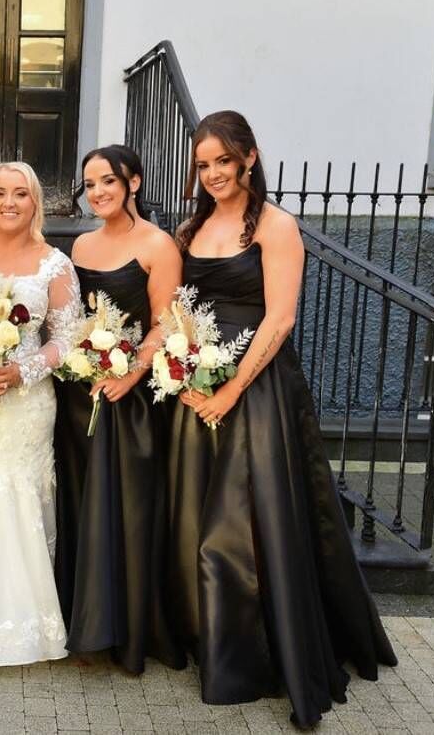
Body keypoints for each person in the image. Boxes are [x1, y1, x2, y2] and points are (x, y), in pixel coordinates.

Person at [169, 110, 396, 727]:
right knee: (199, 514)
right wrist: (185, 367)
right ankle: (206, 636)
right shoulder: (190, 228)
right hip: (199, 383)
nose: (214, 173)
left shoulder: (276, 225)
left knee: (246, 523)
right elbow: (181, 307)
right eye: (203, 164)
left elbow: (280, 318)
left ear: (250, 156)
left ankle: (257, 654)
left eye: (223, 160)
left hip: (258, 388)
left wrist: (232, 390)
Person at [54, 144, 186, 673]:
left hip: (127, 402)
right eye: (90, 184)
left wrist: (129, 373)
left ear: (132, 182)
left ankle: (125, 631)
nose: (98, 192)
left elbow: (166, 321)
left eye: (108, 181)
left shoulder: (158, 245)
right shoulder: (81, 245)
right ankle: (83, 625)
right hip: (79, 396)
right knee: (82, 507)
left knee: (126, 513)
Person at [0, 162, 79, 667]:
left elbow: (66, 340)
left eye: (21, 194)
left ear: (35, 203)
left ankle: (26, 627)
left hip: (27, 400)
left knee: (18, 496)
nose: (9, 202)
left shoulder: (55, 264)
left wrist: (24, 370)